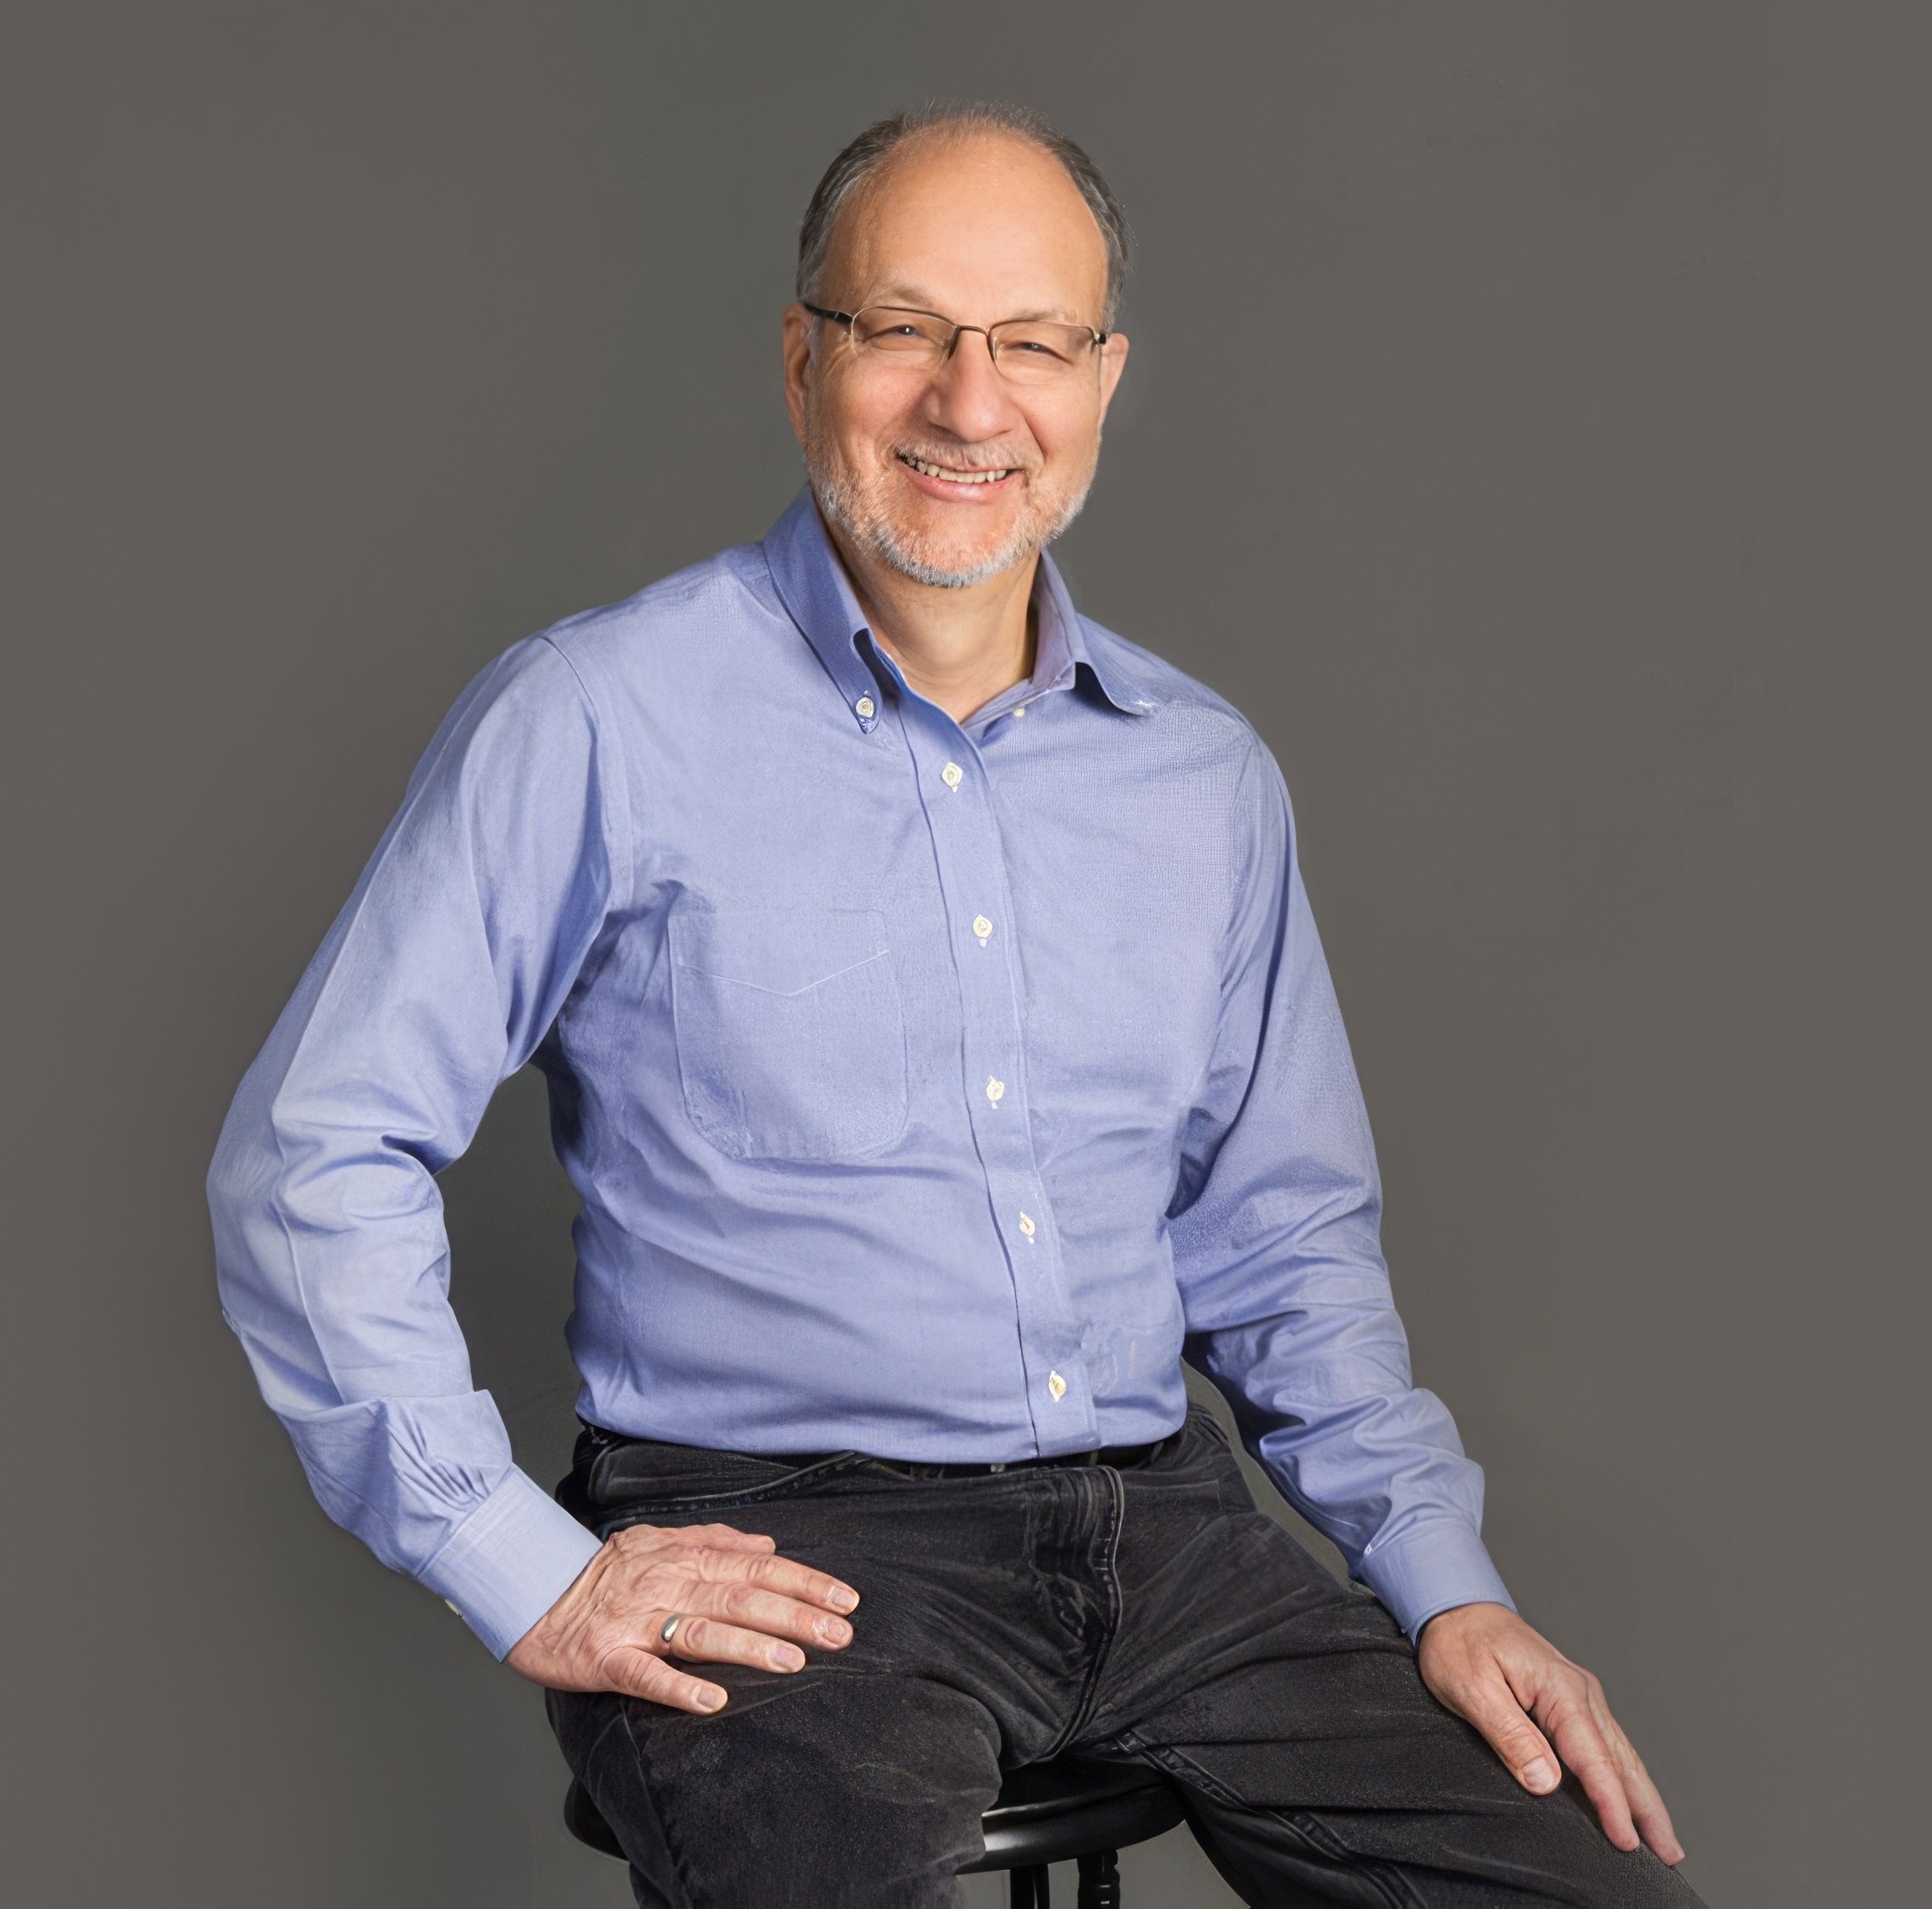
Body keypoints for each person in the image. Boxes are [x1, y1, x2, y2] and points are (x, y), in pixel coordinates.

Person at [208, 102, 1702, 1907]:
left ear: (1103, 375)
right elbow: (313, 1154)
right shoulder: (598, 718)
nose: (969, 404)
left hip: (1174, 1532)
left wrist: (1445, 1575)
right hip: (782, 1542)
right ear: (801, 358)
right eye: (905, 328)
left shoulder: (1205, 776)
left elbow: (1283, 1242)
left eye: (1031, 342)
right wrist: (518, 1558)